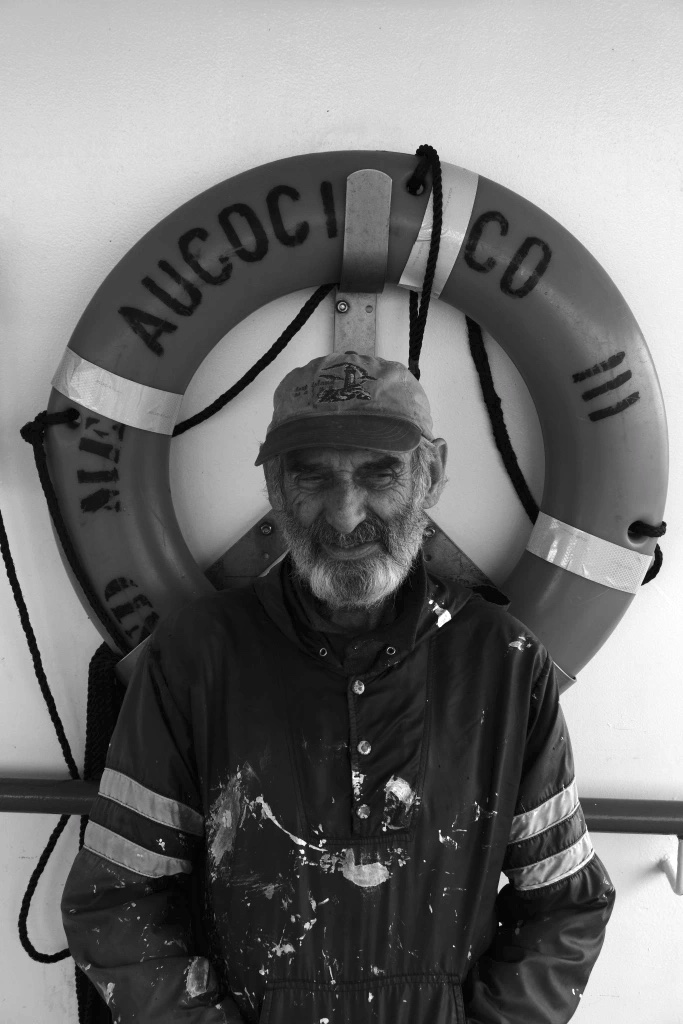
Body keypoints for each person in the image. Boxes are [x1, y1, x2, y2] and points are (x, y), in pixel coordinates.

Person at [61, 351, 615, 1024]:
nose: (346, 515)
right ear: (273, 486)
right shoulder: (194, 657)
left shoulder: (504, 662)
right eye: (312, 475)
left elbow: (563, 905)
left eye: (379, 472)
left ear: (431, 473)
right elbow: (117, 899)